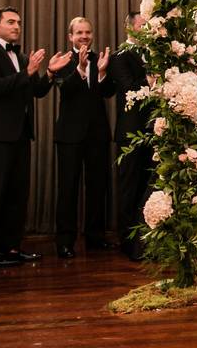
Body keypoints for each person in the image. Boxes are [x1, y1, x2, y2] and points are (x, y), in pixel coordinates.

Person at [0, 6, 71, 267]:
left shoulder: (22, 56)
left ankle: (12, 247)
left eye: (19, 22)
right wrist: (26, 73)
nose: (16, 26)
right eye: (10, 22)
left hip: (20, 134)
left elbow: (35, 92)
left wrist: (49, 73)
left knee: (17, 193)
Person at [51, 17, 114, 259]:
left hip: (97, 133)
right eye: (79, 33)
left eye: (88, 32)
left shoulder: (100, 59)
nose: (84, 36)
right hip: (70, 134)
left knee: (98, 187)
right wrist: (79, 69)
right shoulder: (63, 61)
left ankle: (96, 237)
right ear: (71, 37)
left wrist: (101, 73)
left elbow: (109, 92)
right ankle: (65, 242)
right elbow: (65, 91)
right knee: (68, 188)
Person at [109, 12, 153, 260]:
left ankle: (146, 240)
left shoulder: (155, 54)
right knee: (129, 187)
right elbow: (128, 87)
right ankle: (128, 243)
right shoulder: (120, 56)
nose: (147, 29)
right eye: (143, 25)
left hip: (151, 129)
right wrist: (149, 79)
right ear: (130, 28)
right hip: (130, 132)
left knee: (147, 187)